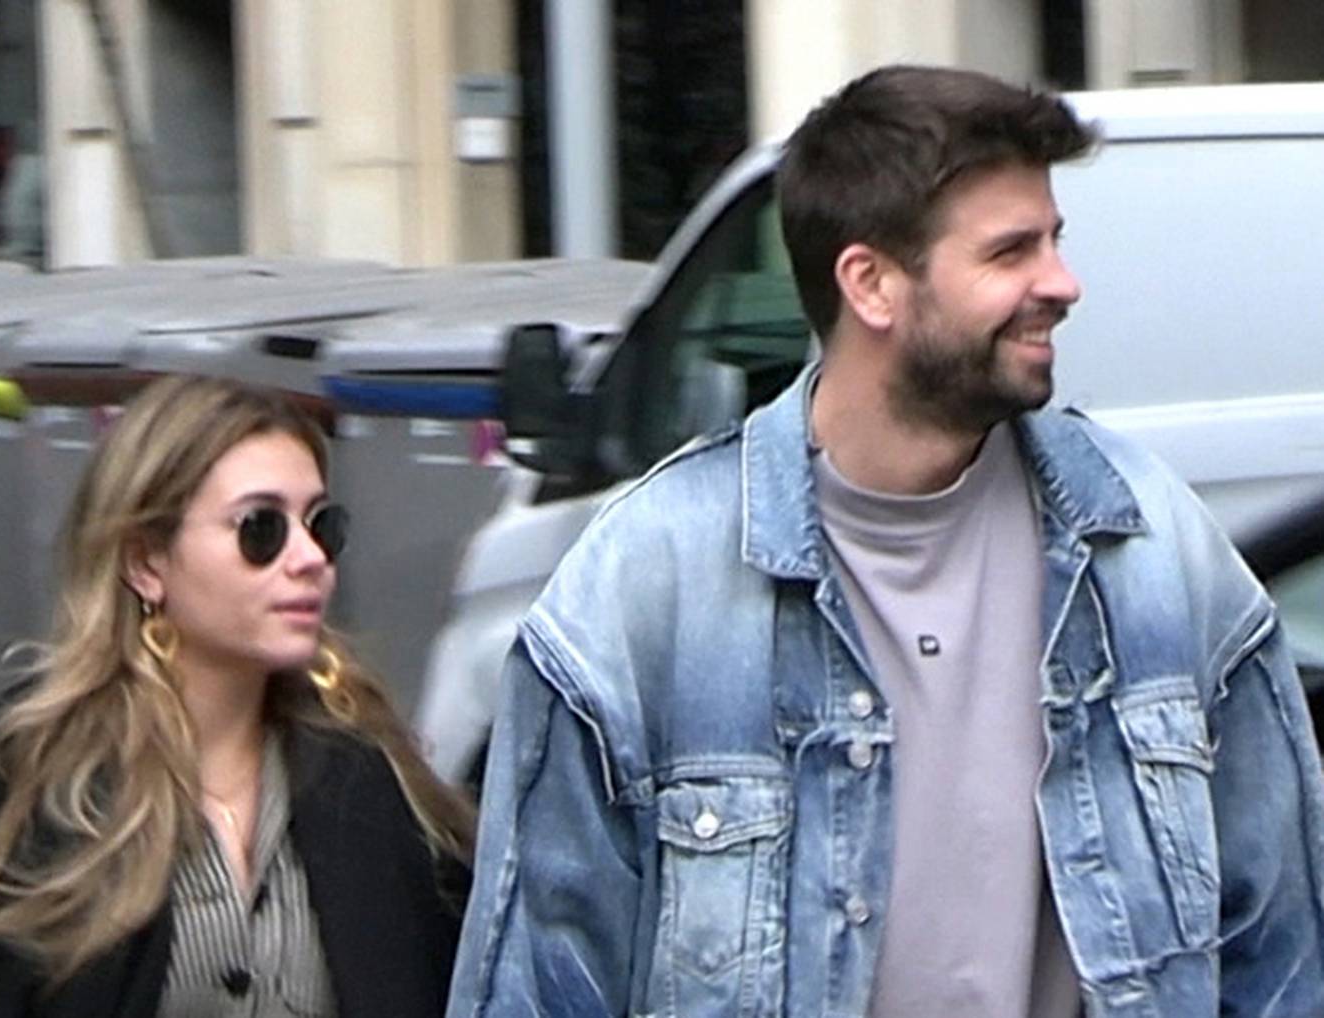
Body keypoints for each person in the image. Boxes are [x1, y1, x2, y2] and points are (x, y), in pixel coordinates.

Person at [446, 65, 1324, 1018]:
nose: (1061, 284)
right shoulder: (642, 588)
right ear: (870, 284)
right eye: (1009, 252)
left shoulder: (1152, 551)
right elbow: (533, 987)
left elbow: (1280, 960)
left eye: (1054, 241)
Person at [0, 375, 474, 1018]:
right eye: (261, 528)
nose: (309, 558)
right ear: (145, 562)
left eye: (321, 525)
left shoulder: (377, 790)